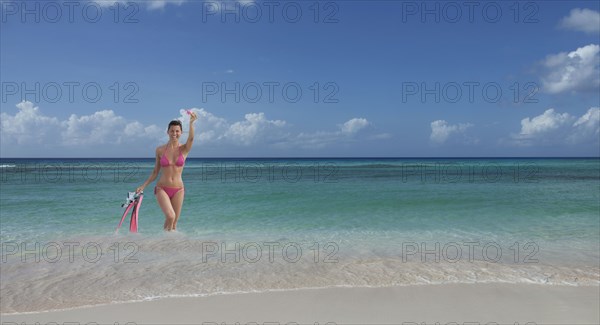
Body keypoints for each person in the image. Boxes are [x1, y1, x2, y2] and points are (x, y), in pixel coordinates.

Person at [136, 112, 197, 231]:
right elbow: (155, 172)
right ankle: (165, 241)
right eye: (172, 131)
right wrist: (143, 186)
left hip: (179, 189)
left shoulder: (184, 149)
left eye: (177, 131)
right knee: (170, 216)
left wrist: (191, 123)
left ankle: (167, 245)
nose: (174, 133)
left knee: (173, 224)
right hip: (162, 188)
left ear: (181, 133)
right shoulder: (160, 150)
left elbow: (192, 138)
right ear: (167, 132)